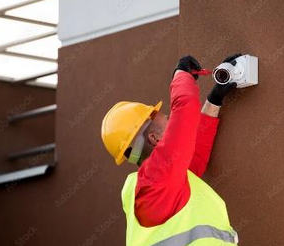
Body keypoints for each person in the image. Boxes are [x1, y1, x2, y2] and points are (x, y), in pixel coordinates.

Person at [101, 54, 241, 246]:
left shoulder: (156, 184)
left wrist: (215, 99)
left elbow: (194, 155)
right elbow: (185, 108)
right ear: (155, 138)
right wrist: (181, 73)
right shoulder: (157, 180)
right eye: (167, 119)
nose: (171, 120)